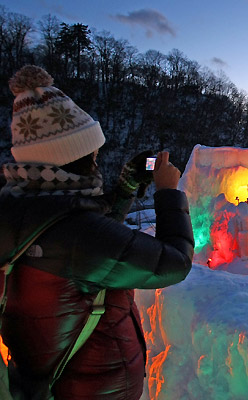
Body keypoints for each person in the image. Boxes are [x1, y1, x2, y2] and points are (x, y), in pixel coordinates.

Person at [0, 65, 194, 399]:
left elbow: (94, 246)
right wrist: (168, 193)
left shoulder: (19, 207)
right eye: (92, 150)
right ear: (70, 156)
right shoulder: (77, 234)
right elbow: (173, 263)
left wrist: (125, 188)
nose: (96, 156)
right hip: (90, 386)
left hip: (44, 378)